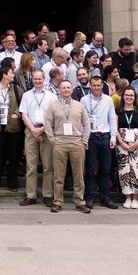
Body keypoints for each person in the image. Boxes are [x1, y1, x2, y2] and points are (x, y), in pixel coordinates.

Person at [45, 80, 91, 213]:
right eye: (63, 88)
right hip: (60, 142)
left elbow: (87, 124)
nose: (66, 90)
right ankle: (58, 201)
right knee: (59, 175)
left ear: (72, 90)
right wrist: (53, 140)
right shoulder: (53, 106)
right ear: (60, 90)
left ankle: (80, 201)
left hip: (77, 142)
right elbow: (48, 124)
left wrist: (85, 140)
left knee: (79, 174)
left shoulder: (79, 105)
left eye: (68, 88)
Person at [81, 76, 118, 210]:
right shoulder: (84, 100)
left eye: (98, 85)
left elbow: (112, 119)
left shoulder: (108, 100)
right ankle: (89, 197)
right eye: (94, 85)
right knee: (90, 169)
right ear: (90, 86)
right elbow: (82, 121)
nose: (96, 88)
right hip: (91, 136)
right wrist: (84, 138)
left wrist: (113, 137)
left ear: (102, 86)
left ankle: (105, 198)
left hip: (105, 136)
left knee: (105, 169)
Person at [19, 69, 53, 207]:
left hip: (46, 130)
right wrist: (33, 130)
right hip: (31, 131)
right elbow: (24, 114)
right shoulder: (27, 95)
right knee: (31, 165)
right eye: (35, 79)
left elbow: (53, 116)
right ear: (32, 80)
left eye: (40, 79)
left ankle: (48, 195)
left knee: (47, 166)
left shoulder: (52, 96)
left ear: (44, 79)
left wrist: (42, 129)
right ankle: (31, 195)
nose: (37, 81)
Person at [0, 64, 23, 191]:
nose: (13, 75)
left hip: (13, 127)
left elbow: (23, 104)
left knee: (13, 156)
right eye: (11, 73)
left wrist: (17, 113)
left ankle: (13, 184)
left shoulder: (16, 89)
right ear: (4, 75)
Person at [115, 86, 138, 209]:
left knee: (137, 171)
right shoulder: (118, 111)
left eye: (131, 95)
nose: (129, 97)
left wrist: (136, 143)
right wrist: (122, 143)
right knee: (125, 171)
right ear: (123, 97)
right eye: (127, 95)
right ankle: (127, 197)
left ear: (135, 97)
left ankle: (135, 198)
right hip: (122, 144)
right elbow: (115, 129)